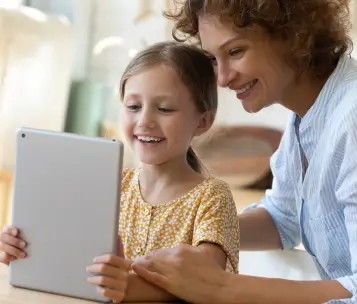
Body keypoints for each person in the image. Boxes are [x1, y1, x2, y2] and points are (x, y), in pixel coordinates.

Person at [128, 1, 357, 304]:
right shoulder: (307, 115)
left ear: (293, 36)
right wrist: (186, 226)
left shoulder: (351, 117)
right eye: (212, 58)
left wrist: (221, 289)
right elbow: (283, 219)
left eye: (235, 51)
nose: (222, 79)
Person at [0, 41, 240, 303]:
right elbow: (74, 257)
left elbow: (207, 281)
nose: (145, 121)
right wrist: (25, 250)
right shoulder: (112, 186)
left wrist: (129, 287)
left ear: (203, 120)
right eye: (134, 107)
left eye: (165, 109)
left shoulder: (212, 197)